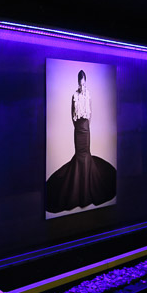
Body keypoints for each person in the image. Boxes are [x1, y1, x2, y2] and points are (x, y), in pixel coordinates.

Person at [45, 69, 116, 212]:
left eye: (84, 84)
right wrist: (77, 126)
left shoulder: (88, 95)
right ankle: (77, 190)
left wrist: (86, 127)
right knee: (79, 156)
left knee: (86, 155)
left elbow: (91, 114)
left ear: (86, 83)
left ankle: (88, 188)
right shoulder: (74, 95)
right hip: (78, 129)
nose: (82, 86)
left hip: (86, 129)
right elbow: (72, 114)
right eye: (80, 84)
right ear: (78, 83)